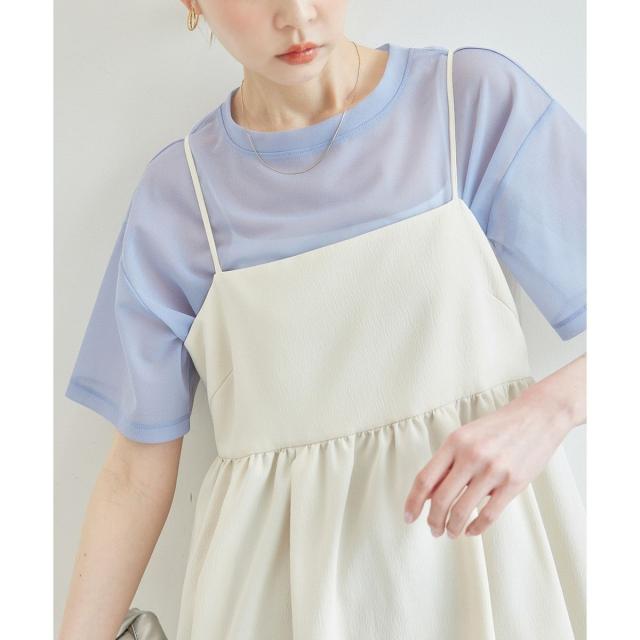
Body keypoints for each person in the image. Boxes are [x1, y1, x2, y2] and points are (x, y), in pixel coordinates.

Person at [59, 1, 586, 638]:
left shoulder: (466, 103)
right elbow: (134, 473)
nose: (297, 14)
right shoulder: (180, 196)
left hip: (489, 570)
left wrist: (548, 411)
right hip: (273, 606)